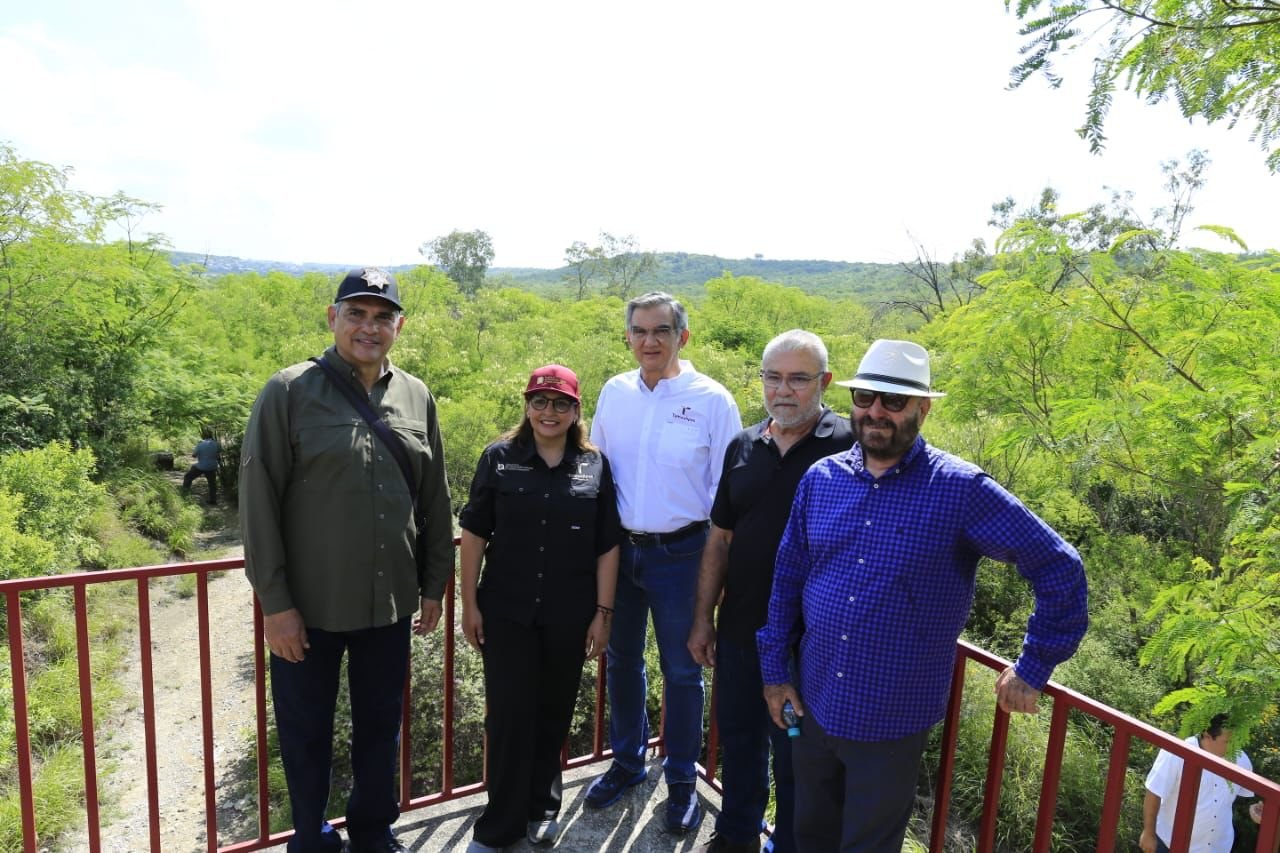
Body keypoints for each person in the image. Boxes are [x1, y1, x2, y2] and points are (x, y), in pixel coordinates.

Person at [756, 338, 1089, 852]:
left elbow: (1058, 565)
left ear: (922, 409)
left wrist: (1033, 665)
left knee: (868, 846)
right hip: (814, 699)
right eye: (866, 397)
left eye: (894, 401)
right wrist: (776, 673)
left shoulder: (960, 489)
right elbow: (788, 579)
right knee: (809, 835)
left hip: (890, 718)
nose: (876, 411)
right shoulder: (822, 480)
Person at [239, 268, 453, 853]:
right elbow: (258, 505)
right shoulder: (288, 391)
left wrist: (434, 584)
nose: (369, 327)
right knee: (305, 732)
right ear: (333, 318)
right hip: (309, 608)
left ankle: (373, 830)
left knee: (380, 728)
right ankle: (310, 836)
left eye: (382, 317)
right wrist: (276, 605)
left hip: (390, 604)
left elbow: (435, 498)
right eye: (356, 313)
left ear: (399, 326)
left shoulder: (416, 395)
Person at [688, 330, 854, 853]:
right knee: (739, 741)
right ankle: (736, 835)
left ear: (824, 382)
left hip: (811, 641)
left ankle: (791, 844)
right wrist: (703, 619)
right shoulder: (743, 445)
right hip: (742, 629)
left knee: (798, 757)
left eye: (798, 379)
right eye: (773, 377)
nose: (783, 390)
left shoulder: (849, 445)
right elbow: (720, 539)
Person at [585, 291, 742, 834]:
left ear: (683, 336)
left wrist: (722, 576)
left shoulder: (713, 400)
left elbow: (728, 495)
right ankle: (628, 763)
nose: (649, 341)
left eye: (661, 330)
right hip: (620, 552)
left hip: (684, 554)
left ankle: (680, 780)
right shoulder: (615, 392)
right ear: (628, 336)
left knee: (683, 669)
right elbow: (596, 471)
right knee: (621, 661)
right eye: (640, 331)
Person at [458, 364, 621, 852]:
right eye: (540, 401)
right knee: (509, 717)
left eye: (561, 403)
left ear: (576, 410)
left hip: (570, 613)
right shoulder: (499, 458)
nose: (550, 412)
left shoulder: (594, 465)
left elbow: (607, 545)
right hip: (507, 611)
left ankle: (542, 806)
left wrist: (603, 614)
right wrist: (469, 604)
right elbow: (473, 534)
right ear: (527, 406)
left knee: (554, 711)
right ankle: (500, 826)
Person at [1140, 713, 1261, 853]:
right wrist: (1148, 832)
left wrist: (1255, 810)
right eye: (1228, 742)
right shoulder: (1175, 752)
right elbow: (1154, 791)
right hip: (1170, 844)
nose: (1234, 747)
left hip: (1219, 848)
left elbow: (1247, 798)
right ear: (1207, 735)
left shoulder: (1241, 759)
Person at [181, 429, 221, 504]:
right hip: (212, 466)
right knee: (212, 483)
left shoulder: (200, 444)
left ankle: (184, 495)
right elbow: (219, 453)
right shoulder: (217, 444)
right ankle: (213, 500)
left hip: (201, 466)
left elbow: (194, 455)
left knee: (188, 477)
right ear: (211, 435)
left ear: (203, 436)